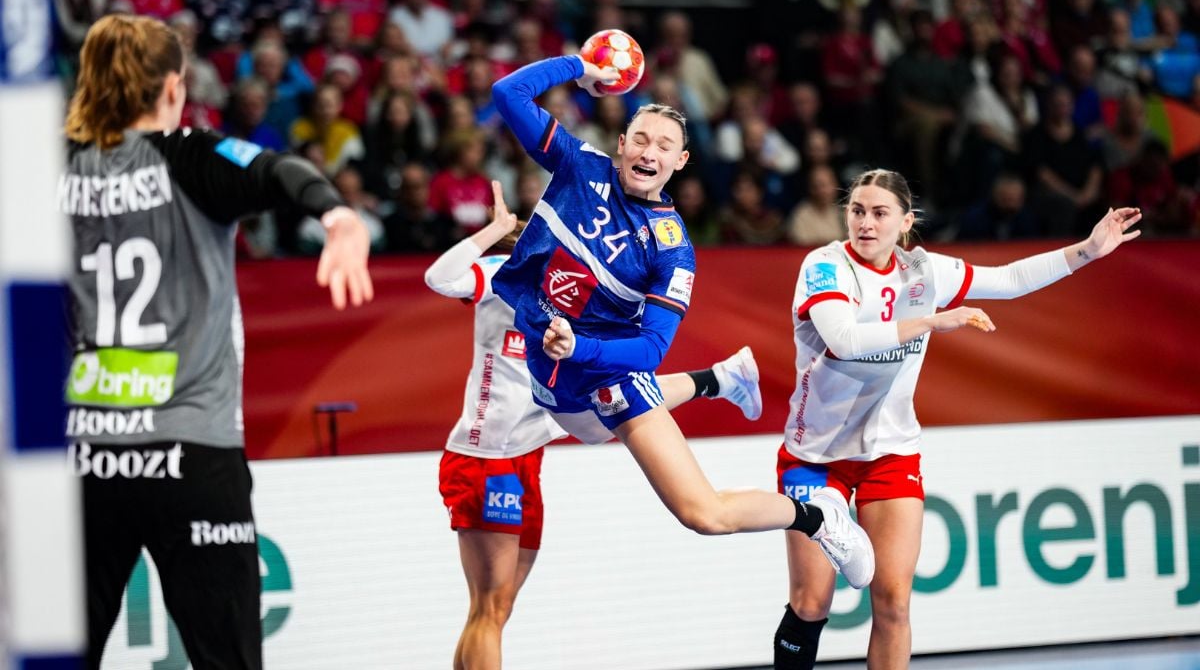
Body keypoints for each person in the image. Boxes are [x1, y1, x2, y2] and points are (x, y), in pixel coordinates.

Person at [487, 54, 875, 590]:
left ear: (682, 161)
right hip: (557, 366)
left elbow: (649, 352)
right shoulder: (579, 165)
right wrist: (580, 66)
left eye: (664, 146)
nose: (650, 152)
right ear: (621, 144)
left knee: (703, 515)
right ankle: (722, 379)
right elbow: (508, 93)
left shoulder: (673, 252)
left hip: (606, 373)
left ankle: (819, 518)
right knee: (584, 428)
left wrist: (578, 347)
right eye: (641, 139)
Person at [62, 15, 373, 670]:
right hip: (191, 451)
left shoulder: (54, 175)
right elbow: (276, 168)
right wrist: (337, 215)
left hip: (86, 457)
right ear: (173, 87)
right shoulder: (192, 157)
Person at [772, 168, 1141, 670]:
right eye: (857, 210)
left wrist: (1087, 251)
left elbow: (1010, 280)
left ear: (906, 222)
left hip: (890, 451)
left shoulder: (925, 271)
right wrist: (929, 320)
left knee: (894, 602)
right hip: (815, 455)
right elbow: (845, 339)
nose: (865, 222)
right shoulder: (825, 265)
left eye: (880, 213)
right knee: (812, 603)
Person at [427, 180, 767, 670]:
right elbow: (440, 278)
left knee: (495, 611)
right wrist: (494, 231)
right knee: (489, 608)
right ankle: (718, 377)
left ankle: (720, 378)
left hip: (530, 447)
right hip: (486, 457)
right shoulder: (503, 271)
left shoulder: (579, 285)